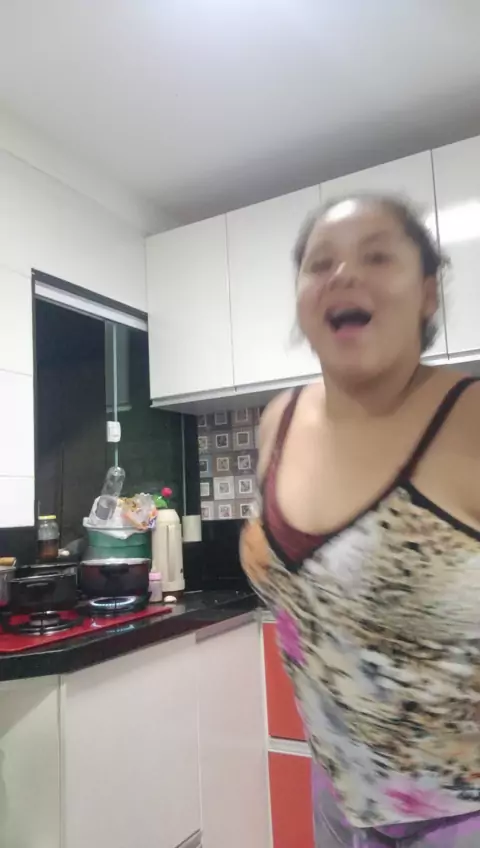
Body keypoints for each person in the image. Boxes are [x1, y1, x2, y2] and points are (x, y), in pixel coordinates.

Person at [240, 193, 480, 847]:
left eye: (376, 256)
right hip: (338, 801)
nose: (343, 274)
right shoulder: (278, 421)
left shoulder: (470, 418)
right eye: (320, 263)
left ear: (427, 292)